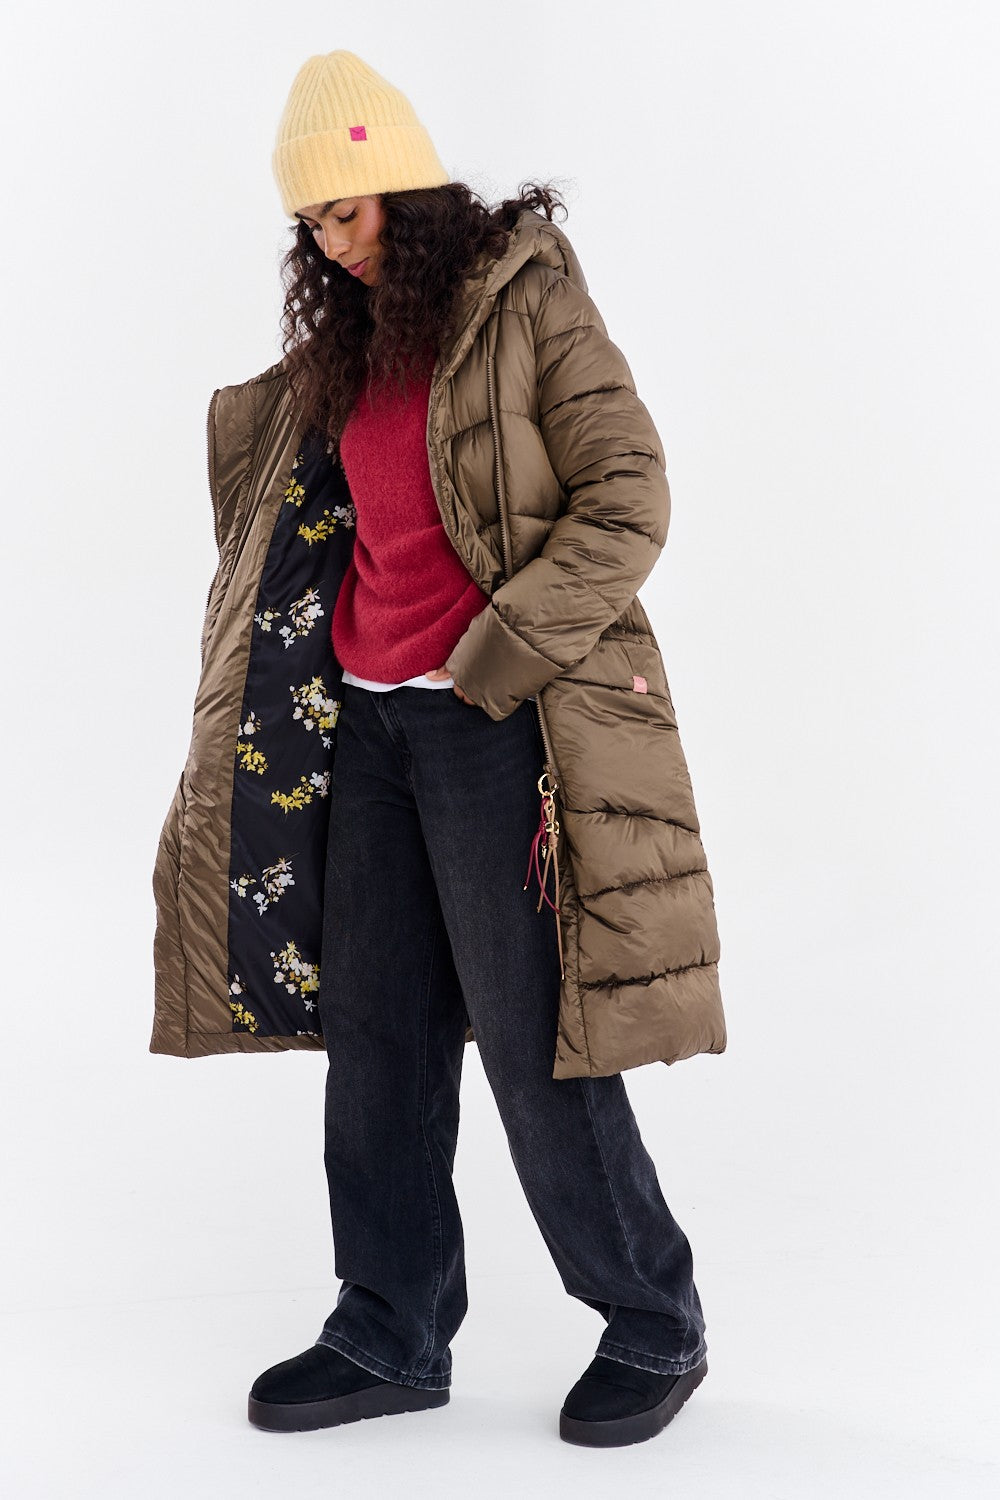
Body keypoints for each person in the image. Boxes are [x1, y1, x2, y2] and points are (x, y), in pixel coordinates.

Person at [151, 49, 727, 1449]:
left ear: (402, 190)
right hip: (367, 728)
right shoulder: (347, 348)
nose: (328, 243)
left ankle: (653, 1321)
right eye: (309, 224)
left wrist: (500, 657)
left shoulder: (527, 302)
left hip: (488, 725)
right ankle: (391, 1328)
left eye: (344, 211)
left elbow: (629, 494)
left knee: (536, 1039)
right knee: (380, 1039)